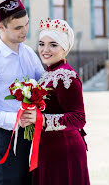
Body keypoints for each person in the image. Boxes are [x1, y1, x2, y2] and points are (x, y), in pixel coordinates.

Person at [0, 0, 44, 185]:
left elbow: (44, 84)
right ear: (1, 27)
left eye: (26, 24)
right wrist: (16, 119)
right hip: (6, 140)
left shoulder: (29, 53)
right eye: (18, 27)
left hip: (35, 136)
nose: (25, 31)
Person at [20, 18, 90, 185]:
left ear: (64, 48)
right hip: (47, 148)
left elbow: (78, 118)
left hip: (64, 151)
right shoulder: (47, 74)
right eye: (41, 44)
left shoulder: (67, 76)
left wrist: (43, 120)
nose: (45, 50)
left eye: (53, 45)